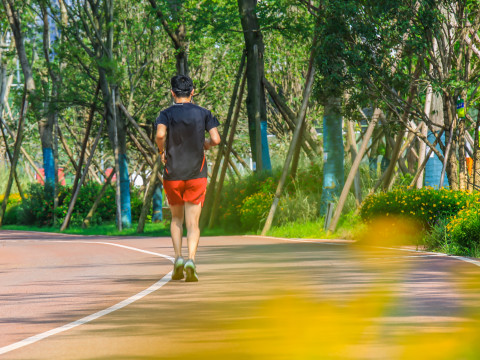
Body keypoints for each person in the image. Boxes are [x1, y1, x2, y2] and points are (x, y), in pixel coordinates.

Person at [155, 75, 220, 282]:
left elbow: (160, 135)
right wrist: (207, 144)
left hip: (172, 174)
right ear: (193, 92)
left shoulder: (165, 114)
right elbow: (216, 139)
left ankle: (178, 259)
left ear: (172, 92)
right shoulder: (204, 113)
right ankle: (192, 259)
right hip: (196, 174)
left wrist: (161, 151)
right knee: (193, 223)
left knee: (176, 219)